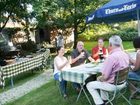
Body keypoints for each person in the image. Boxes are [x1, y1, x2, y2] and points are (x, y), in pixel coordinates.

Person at [86, 35, 129, 105]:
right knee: (101, 81)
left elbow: (105, 77)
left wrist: (99, 78)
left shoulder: (111, 57)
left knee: (89, 85)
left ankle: (100, 103)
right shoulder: (125, 54)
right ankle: (105, 100)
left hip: (113, 85)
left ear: (110, 44)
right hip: (123, 83)